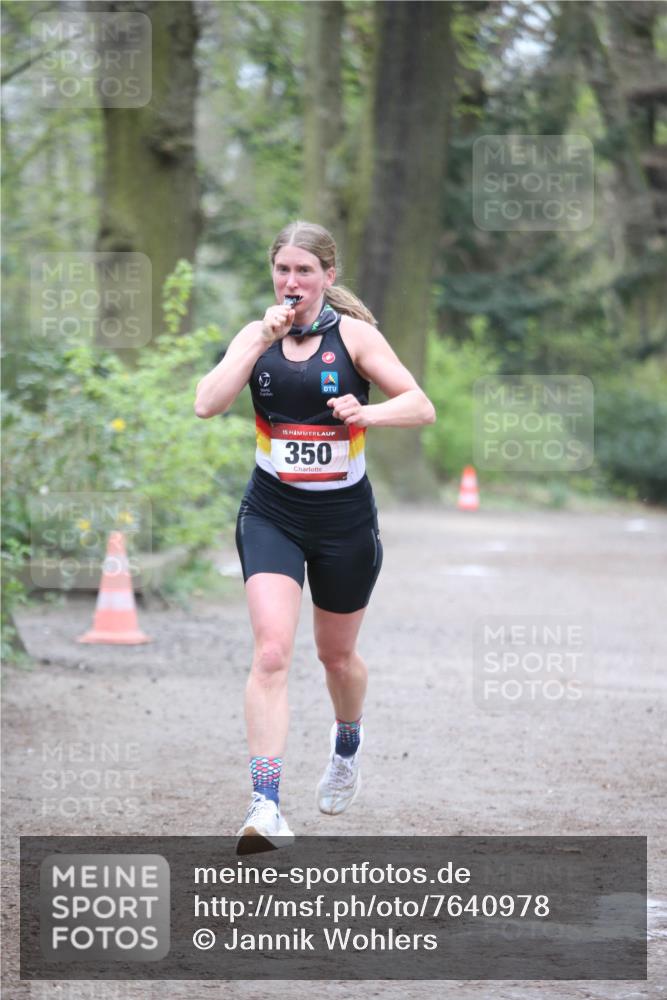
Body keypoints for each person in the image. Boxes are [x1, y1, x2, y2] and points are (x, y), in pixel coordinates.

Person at [194, 221, 435, 854]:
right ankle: (265, 806)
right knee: (272, 653)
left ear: (328, 276)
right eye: (283, 270)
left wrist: (368, 412)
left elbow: (420, 405)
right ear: (273, 275)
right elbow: (206, 403)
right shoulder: (256, 336)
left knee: (336, 657)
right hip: (271, 512)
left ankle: (347, 743)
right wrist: (258, 341)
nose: (292, 281)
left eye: (305, 270)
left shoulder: (354, 337)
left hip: (344, 522)